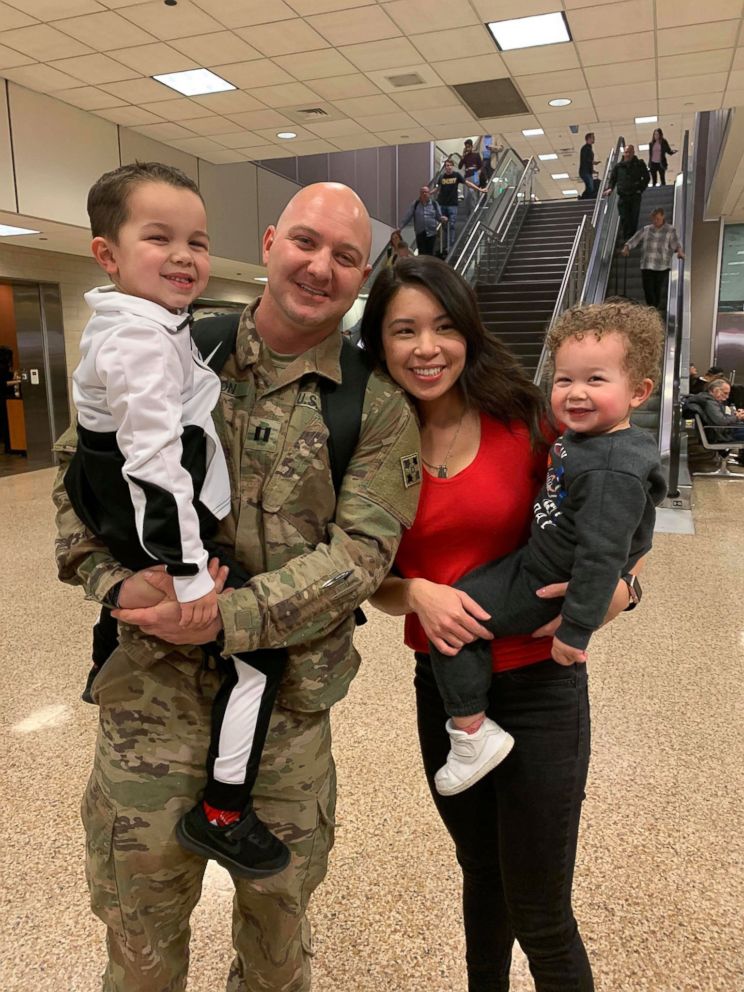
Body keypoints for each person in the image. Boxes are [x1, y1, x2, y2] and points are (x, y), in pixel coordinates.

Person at [52, 181, 421, 991]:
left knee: (276, 944)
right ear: (267, 242)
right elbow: (79, 480)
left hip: (285, 716)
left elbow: (363, 554)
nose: (321, 267)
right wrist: (117, 586)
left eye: (346, 256)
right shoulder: (175, 343)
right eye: (306, 242)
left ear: (363, 274)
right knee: (138, 942)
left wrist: (224, 616)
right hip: (148, 707)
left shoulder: (377, 404)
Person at [361, 256, 641, 991]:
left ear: (469, 334)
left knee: (542, 910)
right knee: (480, 873)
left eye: (444, 327)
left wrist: (626, 590)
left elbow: (611, 516)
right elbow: (369, 582)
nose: (427, 347)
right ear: (380, 344)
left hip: (542, 688)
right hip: (450, 695)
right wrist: (414, 591)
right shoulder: (368, 443)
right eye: (404, 330)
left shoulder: (529, 416)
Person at [66, 159, 311, 879]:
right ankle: (225, 810)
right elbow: (151, 464)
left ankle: (102, 653)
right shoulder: (142, 339)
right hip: (159, 529)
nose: (183, 256)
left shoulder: (157, 326)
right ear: (107, 254)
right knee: (258, 661)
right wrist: (187, 575)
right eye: (159, 238)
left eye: (197, 242)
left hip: (136, 517)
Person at [425, 300, 665, 796]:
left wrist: (577, 628)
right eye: (563, 380)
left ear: (639, 392)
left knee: (454, 620)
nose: (575, 393)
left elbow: (604, 554)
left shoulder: (610, 466)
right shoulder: (588, 441)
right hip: (535, 562)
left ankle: (471, 733)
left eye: (596, 380)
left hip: (543, 582)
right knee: (460, 600)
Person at [621, 207, 684, 312]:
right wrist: (626, 247)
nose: (655, 221)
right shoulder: (646, 229)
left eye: (657, 219)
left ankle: (654, 310)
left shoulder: (670, 230)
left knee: (657, 290)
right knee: (648, 291)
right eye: (653, 219)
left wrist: (680, 252)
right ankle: (653, 310)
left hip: (662, 266)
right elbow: (634, 239)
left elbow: (676, 244)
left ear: (663, 216)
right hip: (647, 265)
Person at [433, 160, 486, 256]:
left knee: (452, 225)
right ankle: (444, 245)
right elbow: (438, 189)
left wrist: (479, 189)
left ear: (452, 166)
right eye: (446, 165)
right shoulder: (441, 177)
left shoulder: (457, 175)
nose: (448, 167)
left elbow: (467, 183)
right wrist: (429, 193)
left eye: (449, 165)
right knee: (444, 225)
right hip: (442, 204)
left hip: (452, 204)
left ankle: (451, 246)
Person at [606, 143, 650, 240]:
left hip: (635, 196)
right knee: (624, 218)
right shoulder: (618, 167)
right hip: (623, 196)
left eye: (630, 152)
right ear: (624, 153)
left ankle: (631, 238)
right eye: (626, 152)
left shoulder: (639, 164)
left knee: (633, 218)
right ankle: (626, 239)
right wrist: (610, 188)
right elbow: (613, 179)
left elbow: (646, 177)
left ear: (633, 153)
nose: (628, 154)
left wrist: (640, 189)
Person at [683, 378, 744, 448]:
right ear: (715, 390)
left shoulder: (707, 399)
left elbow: (719, 416)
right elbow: (720, 421)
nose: (727, 397)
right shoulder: (709, 402)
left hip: (723, 431)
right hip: (723, 434)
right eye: (725, 393)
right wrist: (737, 417)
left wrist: (735, 414)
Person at [399, 186, 444, 257]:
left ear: (429, 193)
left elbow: (438, 216)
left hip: (431, 233)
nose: (424, 194)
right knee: (422, 253)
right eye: (422, 192)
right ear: (420, 194)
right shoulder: (415, 204)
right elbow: (407, 216)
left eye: (426, 192)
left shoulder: (434, 204)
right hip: (420, 233)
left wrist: (442, 218)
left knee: (430, 253)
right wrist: (400, 227)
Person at [458, 139, 483, 212]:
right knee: (466, 195)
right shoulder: (465, 156)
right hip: (467, 176)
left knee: (473, 193)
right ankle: (468, 211)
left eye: (469, 147)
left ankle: (474, 211)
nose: (467, 148)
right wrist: (463, 156)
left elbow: (481, 166)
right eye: (466, 147)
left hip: (475, 174)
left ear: (472, 146)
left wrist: (479, 172)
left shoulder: (476, 155)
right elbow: (459, 166)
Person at [579, 132, 600, 199]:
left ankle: (583, 198)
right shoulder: (585, 148)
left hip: (587, 171)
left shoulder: (589, 148)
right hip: (585, 172)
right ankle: (582, 198)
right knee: (590, 187)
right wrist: (593, 162)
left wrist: (592, 170)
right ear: (588, 139)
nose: (594, 139)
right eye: (592, 138)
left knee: (590, 186)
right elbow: (585, 160)